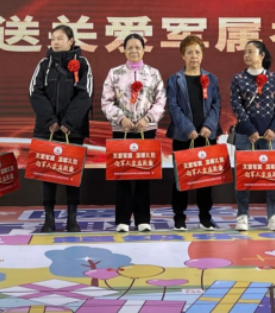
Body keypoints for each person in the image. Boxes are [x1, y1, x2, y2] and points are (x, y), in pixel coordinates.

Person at [30, 25, 93, 234]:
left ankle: (72, 218)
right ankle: (49, 218)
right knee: (47, 175)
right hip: (47, 129)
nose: (55, 42)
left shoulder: (82, 63)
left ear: (71, 41)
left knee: (72, 175)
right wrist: (50, 120)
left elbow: (85, 94)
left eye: (60, 38)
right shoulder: (43, 64)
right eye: (53, 39)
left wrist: (68, 122)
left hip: (72, 130)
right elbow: (35, 92)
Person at [101, 34, 166, 233]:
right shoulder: (115, 73)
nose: (134, 51)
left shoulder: (153, 73)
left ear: (144, 50)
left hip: (146, 130)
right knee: (122, 176)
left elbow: (161, 100)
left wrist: (148, 118)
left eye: (138, 47)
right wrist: (121, 118)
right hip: (122, 130)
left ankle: (143, 219)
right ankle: (122, 219)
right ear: (124, 50)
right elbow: (106, 101)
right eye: (130, 47)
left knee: (144, 176)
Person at [167, 36, 222, 231]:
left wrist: (209, 125)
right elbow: (173, 106)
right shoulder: (175, 80)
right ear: (183, 55)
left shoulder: (211, 79)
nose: (194, 56)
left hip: (206, 135)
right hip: (183, 136)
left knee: (206, 178)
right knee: (181, 178)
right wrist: (187, 128)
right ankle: (179, 217)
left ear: (202, 55)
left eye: (197, 52)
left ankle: (205, 217)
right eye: (189, 52)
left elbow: (216, 104)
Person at [231, 41, 275, 233]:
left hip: (271, 135)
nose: (246, 55)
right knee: (243, 177)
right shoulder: (238, 78)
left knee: (273, 176)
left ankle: (273, 215)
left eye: (251, 52)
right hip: (246, 135)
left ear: (262, 55)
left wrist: (274, 128)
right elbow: (236, 106)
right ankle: (242, 215)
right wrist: (249, 129)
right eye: (245, 52)